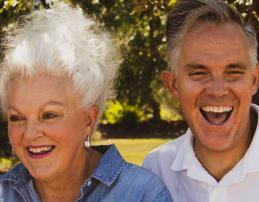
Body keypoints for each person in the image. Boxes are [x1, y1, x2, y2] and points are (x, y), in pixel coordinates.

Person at [143, 0, 259, 201]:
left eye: (233, 72)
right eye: (199, 73)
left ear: (254, 80)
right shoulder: (156, 169)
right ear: (173, 84)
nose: (217, 91)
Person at [0, 3, 172, 202]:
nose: (29, 134)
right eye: (17, 117)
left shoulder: (142, 194)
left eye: (49, 115)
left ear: (88, 120)